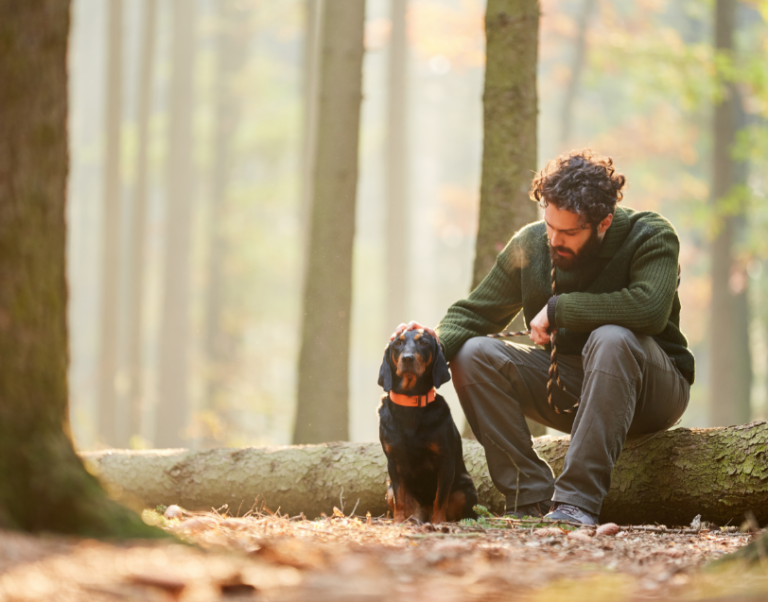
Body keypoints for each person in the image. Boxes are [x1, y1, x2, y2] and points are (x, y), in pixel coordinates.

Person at [392, 149, 693, 525]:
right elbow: (471, 315)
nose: (554, 240)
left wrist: (558, 309)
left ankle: (575, 503)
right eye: (550, 226)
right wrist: (424, 349)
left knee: (612, 338)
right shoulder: (531, 244)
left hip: (654, 389)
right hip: (570, 389)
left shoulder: (650, 235)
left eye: (569, 232)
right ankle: (528, 497)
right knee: (473, 353)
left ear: (603, 223)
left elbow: (649, 309)